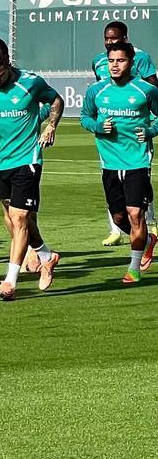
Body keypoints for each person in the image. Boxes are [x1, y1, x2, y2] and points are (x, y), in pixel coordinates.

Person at [0, 39, 64, 301]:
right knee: (16, 219)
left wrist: (51, 126)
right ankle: (46, 255)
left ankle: (10, 282)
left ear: (8, 64)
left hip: (27, 159)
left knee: (19, 217)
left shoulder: (30, 83)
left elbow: (56, 100)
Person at [80, 41, 158, 283]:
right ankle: (148, 240)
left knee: (136, 213)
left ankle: (133, 268)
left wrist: (150, 131)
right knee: (119, 218)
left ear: (131, 63)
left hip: (137, 162)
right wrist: (97, 126)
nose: (114, 65)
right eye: (111, 61)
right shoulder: (97, 91)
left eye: (120, 60)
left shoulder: (146, 90)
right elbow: (85, 117)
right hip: (110, 164)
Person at [91, 22, 158, 247]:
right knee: (113, 183)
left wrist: (149, 126)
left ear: (125, 38)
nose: (110, 42)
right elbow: (98, 96)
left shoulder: (141, 57)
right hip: (110, 136)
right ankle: (117, 229)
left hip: (136, 132)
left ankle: (149, 223)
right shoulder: (98, 61)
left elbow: (153, 86)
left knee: (139, 184)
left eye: (114, 38)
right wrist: (99, 123)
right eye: (107, 38)